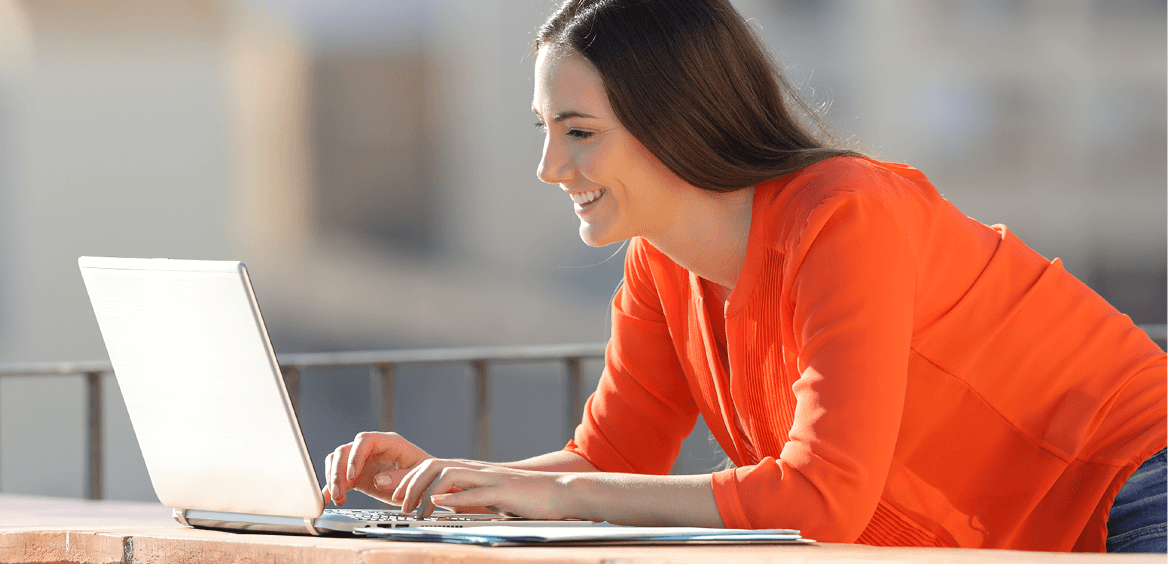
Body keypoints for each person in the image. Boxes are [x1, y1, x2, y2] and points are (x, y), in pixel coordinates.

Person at [318, 0, 1167, 553]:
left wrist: (546, 492)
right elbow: (607, 464)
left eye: (577, 132)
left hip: (1141, 485)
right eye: (543, 128)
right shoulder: (660, 264)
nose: (548, 166)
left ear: (673, 121)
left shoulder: (844, 213)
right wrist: (453, 487)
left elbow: (822, 497)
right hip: (1037, 539)